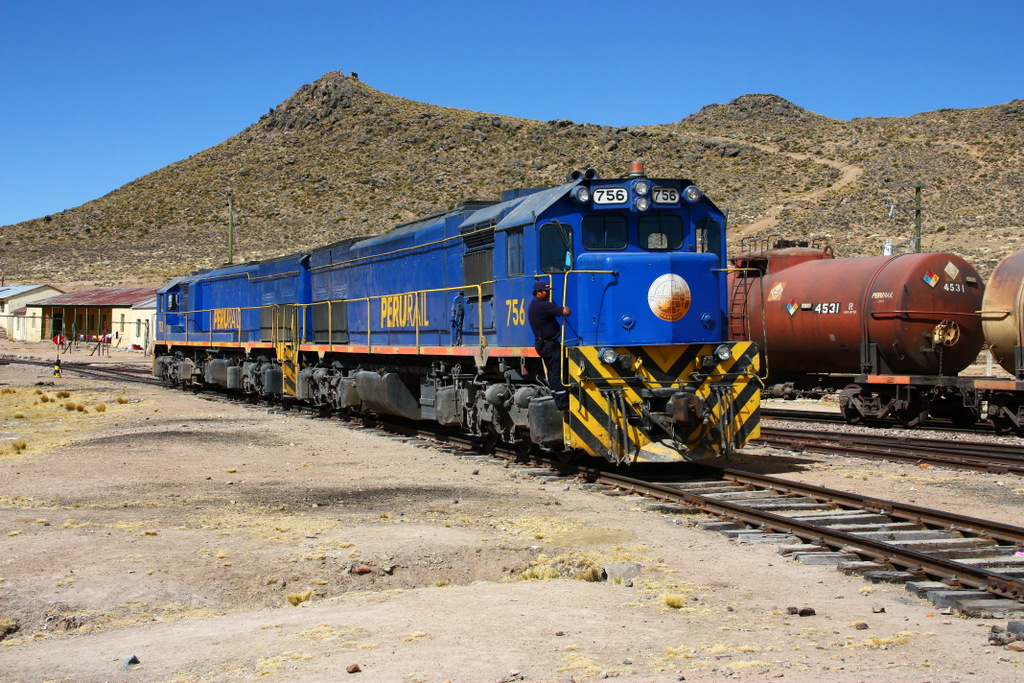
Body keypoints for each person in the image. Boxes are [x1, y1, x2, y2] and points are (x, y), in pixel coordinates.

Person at [528, 280, 571, 410]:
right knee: (556, 373)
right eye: (545, 292)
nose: (548, 294)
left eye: (548, 291)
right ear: (538, 292)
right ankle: (562, 403)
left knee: (554, 373)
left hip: (545, 344)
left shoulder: (535, 305)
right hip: (549, 345)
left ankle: (559, 399)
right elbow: (566, 311)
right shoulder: (541, 305)